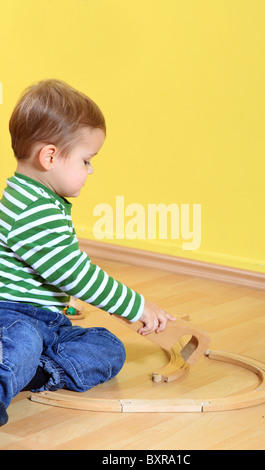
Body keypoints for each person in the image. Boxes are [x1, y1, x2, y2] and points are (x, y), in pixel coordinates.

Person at [0, 79, 175, 426]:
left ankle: (35, 370)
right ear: (50, 156)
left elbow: (53, 268)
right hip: (11, 318)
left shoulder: (42, 200)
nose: (91, 170)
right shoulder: (32, 211)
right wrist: (135, 306)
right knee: (20, 341)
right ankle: (14, 372)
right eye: (86, 160)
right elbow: (77, 274)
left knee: (107, 348)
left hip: (45, 322)